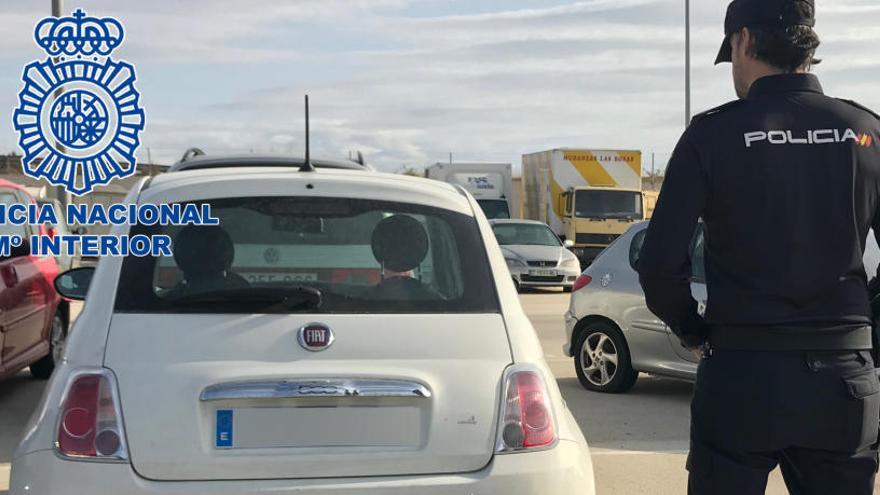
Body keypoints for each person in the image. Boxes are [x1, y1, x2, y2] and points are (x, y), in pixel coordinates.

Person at [637, 0, 880, 493]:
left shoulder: (713, 134)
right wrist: (864, 332)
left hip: (741, 374)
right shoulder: (867, 132)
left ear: (744, 41)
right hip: (843, 380)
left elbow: (660, 264)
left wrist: (691, 327)